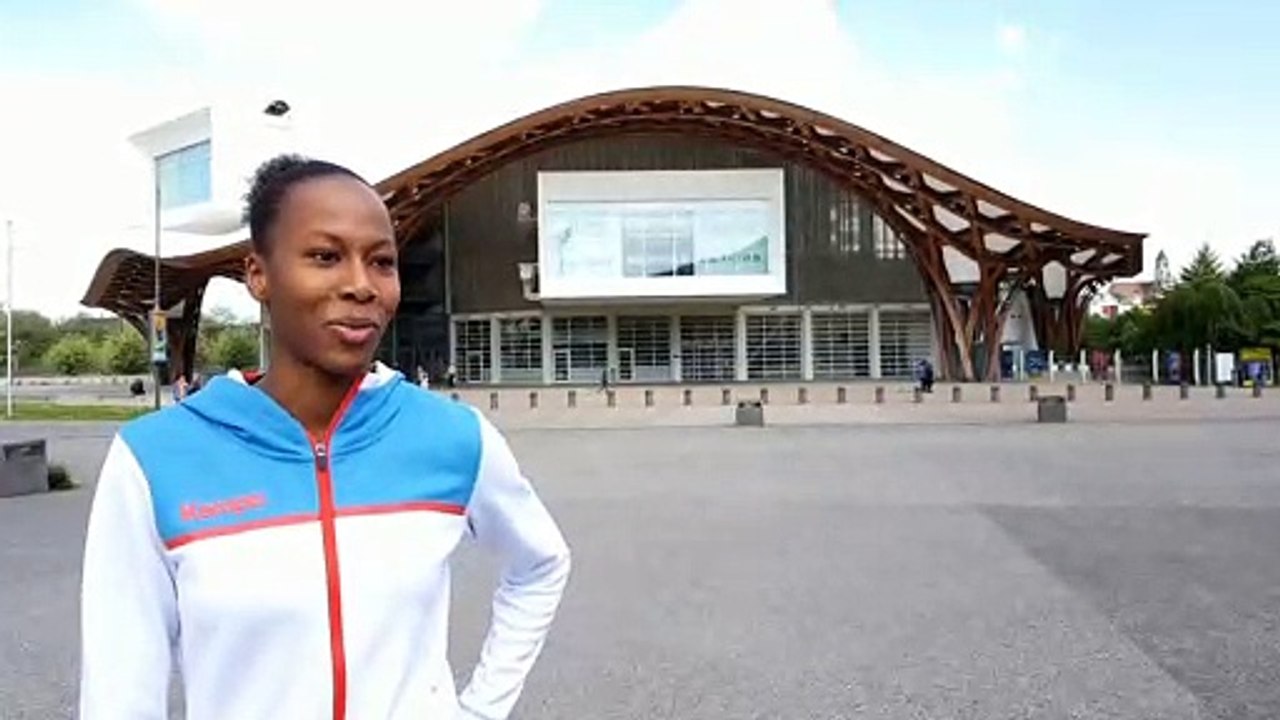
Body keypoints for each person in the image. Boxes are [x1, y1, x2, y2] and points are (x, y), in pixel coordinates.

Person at [79, 154, 572, 720]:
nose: (361, 285)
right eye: (325, 256)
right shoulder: (154, 459)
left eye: (382, 262)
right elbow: (119, 689)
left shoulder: (453, 437)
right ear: (258, 275)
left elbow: (540, 564)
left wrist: (482, 708)